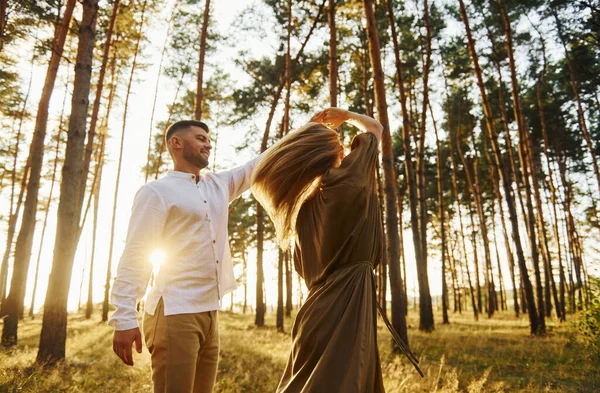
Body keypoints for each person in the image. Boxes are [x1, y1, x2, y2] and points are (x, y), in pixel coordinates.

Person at [251, 108, 420, 393]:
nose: (344, 152)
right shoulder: (347, 182)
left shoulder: (301, 211)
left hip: (316, 311)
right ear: (323, 156)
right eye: (339, 148)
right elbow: (375, 129)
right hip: (344, 305)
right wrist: (345, 114)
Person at [109, 120, 258, 393]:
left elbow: (257, 165)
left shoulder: (218, 185)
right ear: (176, 143)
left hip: (210, 312)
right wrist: (124, 317)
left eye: (209, 140)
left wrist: (307, 130)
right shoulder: (156, 192)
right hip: (174, 312)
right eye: (200, 138)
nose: (208, 144)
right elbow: (136, 254)